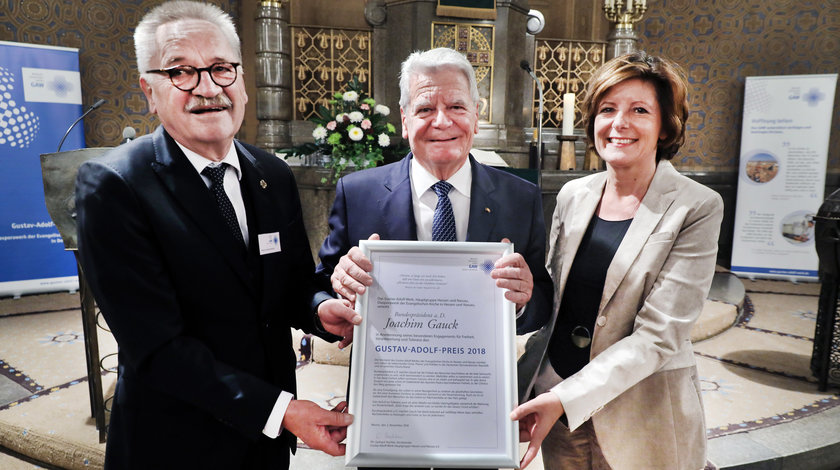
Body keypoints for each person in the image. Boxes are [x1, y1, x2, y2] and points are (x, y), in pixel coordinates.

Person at [75, 2, 353, 468]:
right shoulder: (115, 186)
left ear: (241, 80)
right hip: (175, 443)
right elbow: (157, 347)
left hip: (264, 446)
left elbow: (290, 283)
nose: (208, 88)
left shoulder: (272, 173)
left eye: (222, 68)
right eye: (181, 72)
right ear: (149, 89)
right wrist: (282, 410)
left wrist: (321, 310)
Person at [315, 47, 553, 469]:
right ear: (405, 120)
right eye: (426, 107)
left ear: (476, 115)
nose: (442, 121)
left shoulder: (521, 198)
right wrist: (335, 296)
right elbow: (318, 287)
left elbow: (542, 305)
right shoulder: (359, 193)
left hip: (477, 407)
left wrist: (524, 298)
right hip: (388, 410)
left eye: (457, 106)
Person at [511, 51, 723, 470]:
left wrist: (564, 398)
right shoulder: (574, 195)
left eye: (639, 110)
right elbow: (554, 302)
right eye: (608, 109)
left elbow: (660, 336)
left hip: (641, 414)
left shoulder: (696, 207)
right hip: (559, 412)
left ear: (665, 127)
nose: (619, 123)